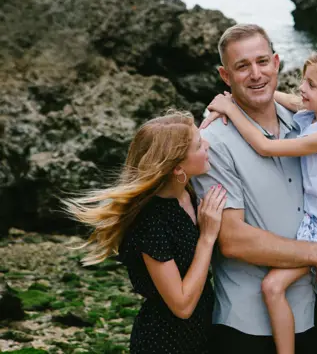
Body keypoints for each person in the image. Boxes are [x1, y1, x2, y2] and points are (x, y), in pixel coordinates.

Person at [191, 24, 317, 354]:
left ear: (277, 62)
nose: (256, 74)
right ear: (225, 74)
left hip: (311, 306)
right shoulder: (213, 143)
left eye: (263, 62)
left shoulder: (307, 123)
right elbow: (233, 239)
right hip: (248, 323)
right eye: (242, 66)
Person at [63, 110, 225, 354]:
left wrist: (227, 105)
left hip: (202, 335)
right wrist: (207, 237)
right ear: (177, 168)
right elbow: (181, 305)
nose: (208, 144)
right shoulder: (151, 223)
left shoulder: (186, 193)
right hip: (165, 343)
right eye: (199, 144)